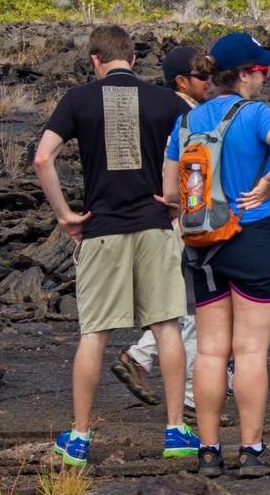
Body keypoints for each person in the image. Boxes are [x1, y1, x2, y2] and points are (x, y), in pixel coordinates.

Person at [34, 25, 198, 467]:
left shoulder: (77, 99)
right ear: (134, 60)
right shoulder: (167, 101)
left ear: (94, 61)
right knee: (167, 327)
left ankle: (80, 438)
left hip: (101, 229)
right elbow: (191, 155)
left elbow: (42, 158)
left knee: (94, 334)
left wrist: (64, 214)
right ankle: (175, 431)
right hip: (153, 227)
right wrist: (174, 201)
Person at [162, 33, 270, 479]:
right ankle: (252, 450)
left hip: (203, 243)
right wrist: (266, 184)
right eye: (261, 70)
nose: (265, 77)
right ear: (244, 74)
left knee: (209, 351)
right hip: (254, 236)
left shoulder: (185, 122)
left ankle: (208, 452)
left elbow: (170, 192)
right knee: (249, 351)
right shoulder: (256, 114)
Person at [111, 45, 235, 425]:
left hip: (152, 216)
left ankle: (145, 356)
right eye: (202, 77)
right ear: (182, 80)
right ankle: (186, 393)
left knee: (186, 305)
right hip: (183, 218)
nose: (209, 83)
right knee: (198, 308)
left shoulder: (152, 109)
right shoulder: (187, 115)